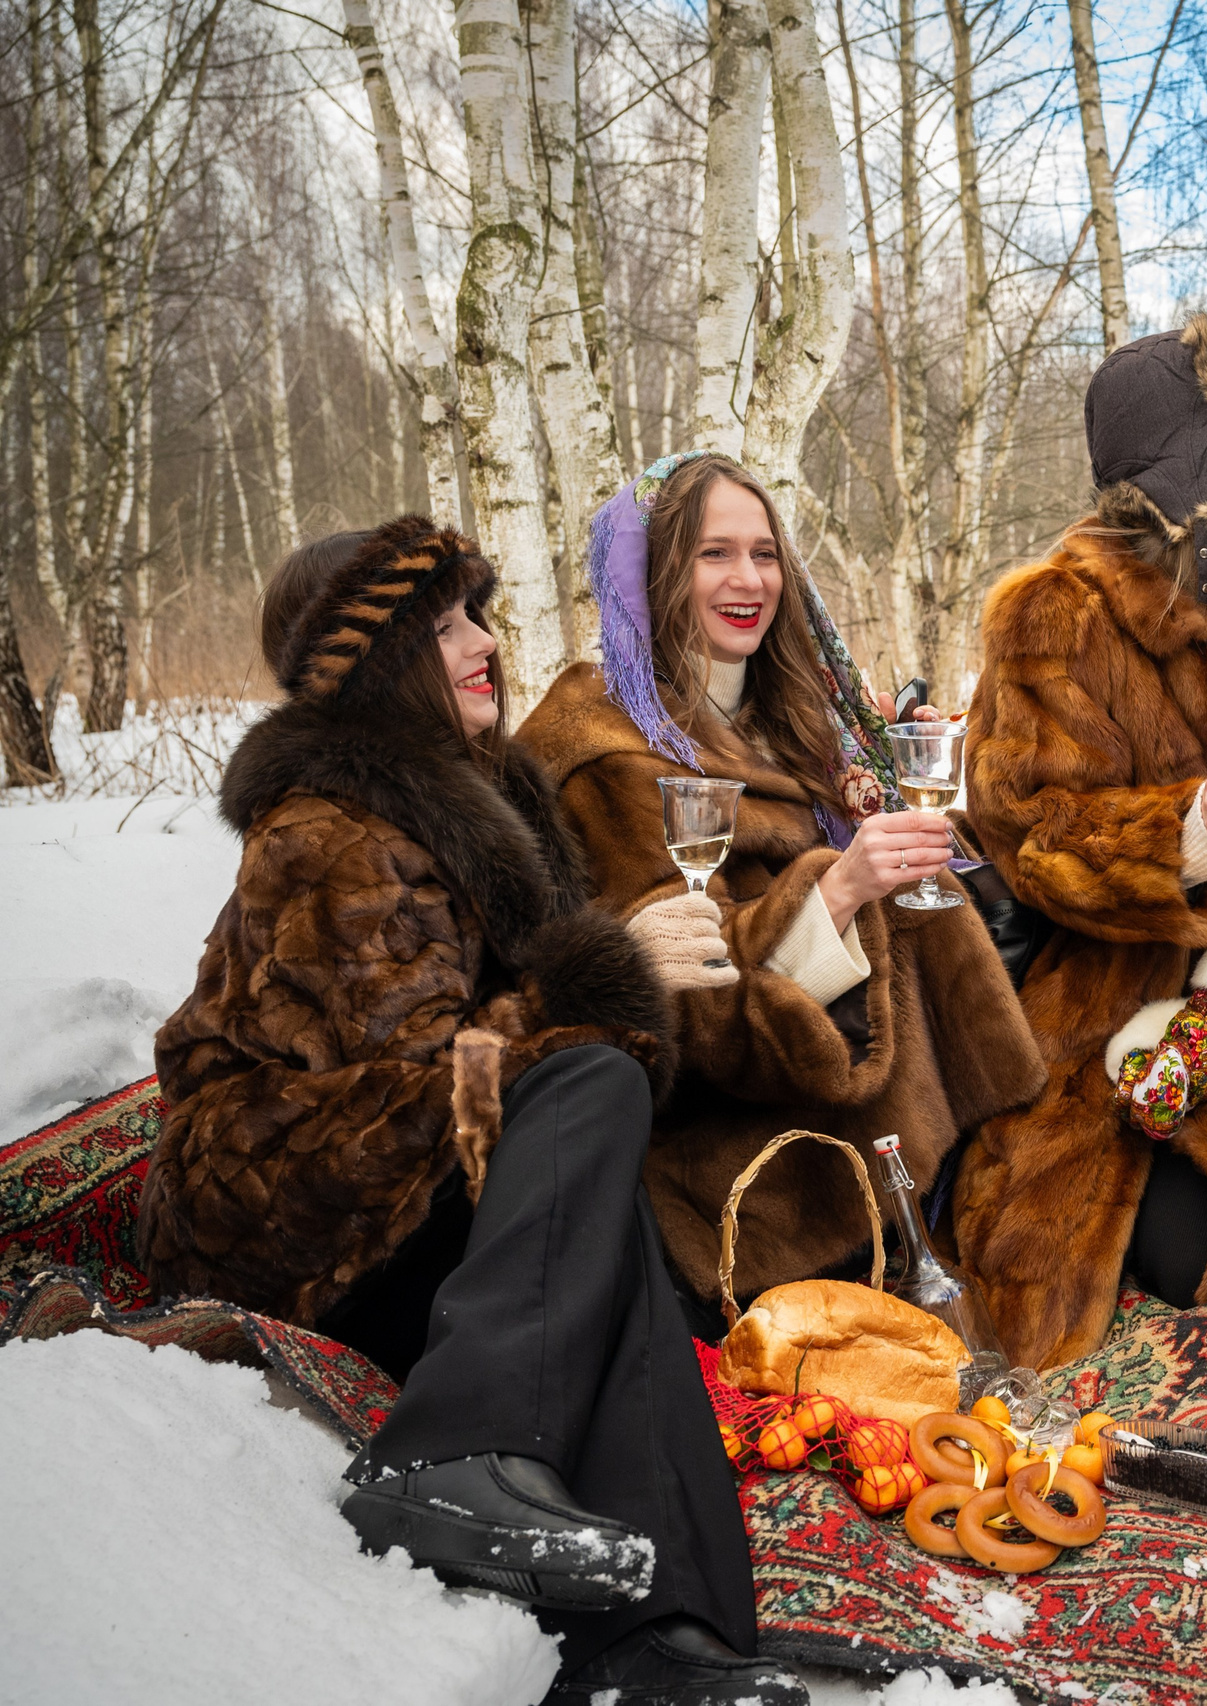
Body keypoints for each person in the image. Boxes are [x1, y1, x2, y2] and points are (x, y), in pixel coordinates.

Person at [142, 519, 802, 1705]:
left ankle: (666, 1638)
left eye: (478, 615)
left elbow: (478, 1090)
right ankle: (452, 1450)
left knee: (611, 1244)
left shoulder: (480, 799)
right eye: (443, 625)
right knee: (587, 1085)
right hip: (282, 1188)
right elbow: (424, 1082)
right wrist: (598, 976)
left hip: (411, 1173)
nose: (483, 644)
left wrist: (593, 992)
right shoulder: (327, 826)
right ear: (377, 661)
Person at [518, 452, 1044, 1319]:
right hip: (753, 1156)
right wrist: (832, 897)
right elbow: (681, 1001)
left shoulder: (796, 716)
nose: (748, 579)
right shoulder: (602, 753)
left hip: (888, 1098)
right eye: (713, 553)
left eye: (764, 553)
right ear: (654, 572)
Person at [955, 313, 1207, 1368]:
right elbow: (1026, 829)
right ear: (1200, 459)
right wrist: (1185, 834)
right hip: (1101, 998)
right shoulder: (1053, 610)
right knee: (1066, 1280)